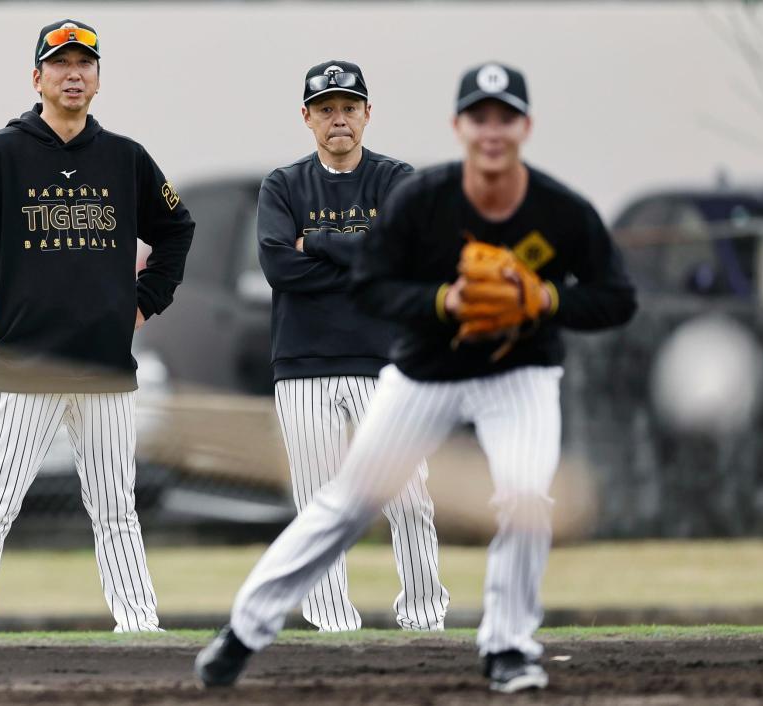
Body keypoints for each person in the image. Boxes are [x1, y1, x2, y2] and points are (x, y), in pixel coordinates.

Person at [196, 61, 636, 692]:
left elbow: (616, 299)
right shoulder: (428, 201)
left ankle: (509, 646)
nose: (492, 130)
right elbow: (374, 282)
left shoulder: (559, 212)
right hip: (426, 369)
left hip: (521, 372)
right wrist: (443, 303)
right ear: (459, 126)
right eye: (479, 117)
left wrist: (545, 302)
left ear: (525, 126)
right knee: (347, 502)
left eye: (504, 117)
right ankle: (243, 631)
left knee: (524, 499)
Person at [0, 19, 194, 635]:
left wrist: (145, 302)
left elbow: (177, 230)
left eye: (85, 64)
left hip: (105, 367)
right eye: (60, 64)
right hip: (20, 365)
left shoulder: (126, 158)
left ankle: (139, 625)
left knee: (116, 508)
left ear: (97, 79)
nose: (73, 74)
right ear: (37, 77)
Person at [255, 59, 448, 632]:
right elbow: (277, 266)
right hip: (303, 365)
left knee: (408, 496)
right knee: (320, 503)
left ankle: (423, 616)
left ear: (367, 113)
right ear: (307, 118)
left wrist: (313, 241)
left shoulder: (397, 180)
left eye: (348, 108)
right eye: (326, 110)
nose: (338, 119)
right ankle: (331, 621)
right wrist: (365, 258)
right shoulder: (283, 184)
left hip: (386, 364)